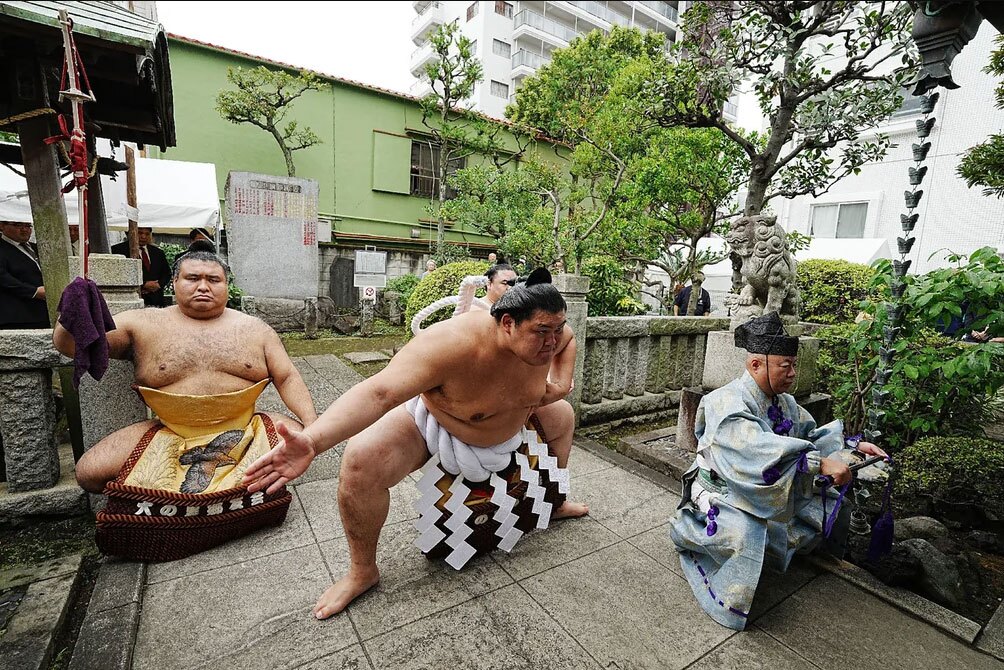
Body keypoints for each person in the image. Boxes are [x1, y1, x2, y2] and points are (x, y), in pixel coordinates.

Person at [243, 270, 589, 620]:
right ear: (508, 323)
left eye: (557, 329)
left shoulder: (551, 334)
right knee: (362, 460)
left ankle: (554, 502)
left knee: (562, 416)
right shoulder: (450, 343)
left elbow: (568, 339)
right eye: (542, 332)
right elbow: (379, 393)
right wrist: (314, 440)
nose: (552, 341)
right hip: (442, 421)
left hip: (511, 421)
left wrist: (560, 384)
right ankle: (362, 571)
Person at [668, 311, 886, 630]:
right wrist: (817, 463)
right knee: (746, 533)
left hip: (762, 486)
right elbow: (752, 450)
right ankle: (694, 541)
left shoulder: (783, 402)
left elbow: (810, 437)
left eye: (794, 365)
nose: (793, 373)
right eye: (786, 366)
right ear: (756, 364)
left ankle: (785, 550)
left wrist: (852, 447)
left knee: (825, 497)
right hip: (724, 491)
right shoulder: (724, 402)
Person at [53, 251, 317, 496]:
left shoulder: (257, 330)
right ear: (174, 283)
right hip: (170, 431)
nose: (203, 286)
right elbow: (72, 346)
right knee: (89, 472)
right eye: (192, 278)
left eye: (213, 279)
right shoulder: (140, 323)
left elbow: (287, 377)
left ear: (227, 286)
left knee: (297, 438)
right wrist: (73, 309)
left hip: (243, 429)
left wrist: (312, 427)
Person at [0, 219, 48, 329]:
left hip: (44, 313)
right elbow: (3, 278)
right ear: (2, 226)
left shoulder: (37, 248)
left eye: (28, 225)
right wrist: (34, 292)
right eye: (18, 225)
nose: (25, 229)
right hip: (16, 317)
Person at [111, 227, 171, 307]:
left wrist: (158, 285)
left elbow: (167, 273)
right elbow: (117, 273)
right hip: (131, 299)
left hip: (156, 300)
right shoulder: (117, 250)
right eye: (140, 233)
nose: (143, 236)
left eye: (147, 234)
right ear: (131, 233)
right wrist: (143, 284)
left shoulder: (158, 252)